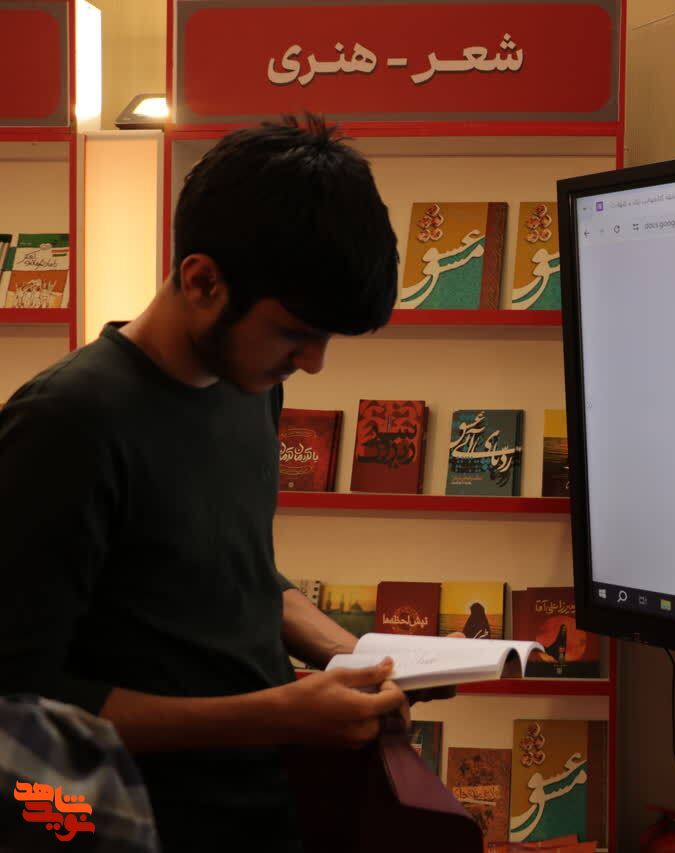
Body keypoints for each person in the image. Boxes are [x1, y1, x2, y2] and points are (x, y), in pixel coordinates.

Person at [0, 115, 434, 849]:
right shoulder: (65, 424)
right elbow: (20, 703)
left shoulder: (251, 385)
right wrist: (281, 713)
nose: (314, 363)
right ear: (202, 280)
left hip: (264, 804)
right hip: (136, 823)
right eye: (296, 332)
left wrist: (357, 656)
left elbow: (238, 572)